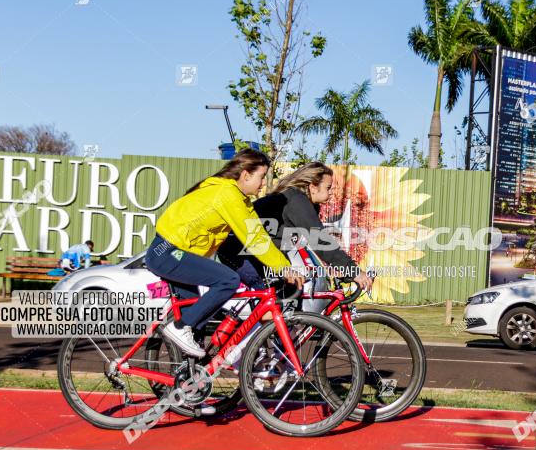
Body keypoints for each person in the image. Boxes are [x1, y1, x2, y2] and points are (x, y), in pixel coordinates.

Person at [145, 149, 303, 357]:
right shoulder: (227, 195)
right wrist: (283, 267)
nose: (264, 183)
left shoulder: (237, 197)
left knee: (197, 326)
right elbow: (254, 238)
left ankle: (186, 381)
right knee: (228, 280)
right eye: (261, 177)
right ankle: (179, 327)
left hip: (175, 253)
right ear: (246, 175)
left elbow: (255, 234)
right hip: (167, 253)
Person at [218, 162, 372, 294]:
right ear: (312, 187)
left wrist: (344, 273)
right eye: (328, 187)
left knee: (293, 291)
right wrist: (354, 271)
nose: (331, 192)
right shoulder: (297, 200)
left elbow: (312, 249)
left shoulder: (303, 202)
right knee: (273, 304)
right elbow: (321, 241)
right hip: (238, 252)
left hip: (259, 254)